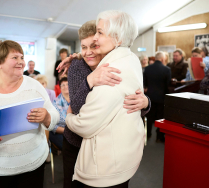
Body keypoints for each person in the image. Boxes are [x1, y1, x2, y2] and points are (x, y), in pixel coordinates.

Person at [58, 18, 150, 188]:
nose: (87, 53)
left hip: (105, 148)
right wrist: (89, 81)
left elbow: (127, 106)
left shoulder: (119, 64)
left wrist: (145, 103)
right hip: (76, 142)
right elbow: (77, 109)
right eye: (83, 47)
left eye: (93, 46)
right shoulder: (78, 67)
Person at [0, 40, 59, 188]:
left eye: (22, 57)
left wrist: (47, 116)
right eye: (15, 58)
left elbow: (54, 113)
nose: (21, 62)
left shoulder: (34, 86)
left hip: (33, 164)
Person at [144, 51, 171, 142]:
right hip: (161, 97)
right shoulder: (167, 69)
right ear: (163, 59)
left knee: (149, 116)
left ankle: (147, 135)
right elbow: (168, 85)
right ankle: (159, 137)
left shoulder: (147, 69)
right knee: (160, 117)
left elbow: (145, 83)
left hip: (150, 96)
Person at [50, 77, 69, 150]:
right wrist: (66, 131)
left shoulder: (77, 100)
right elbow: (52, 125)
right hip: (61, 131)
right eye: (63, 85)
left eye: (67, 84)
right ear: (60, 87)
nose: (65, 86)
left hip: (76, 130)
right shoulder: (55, 102)